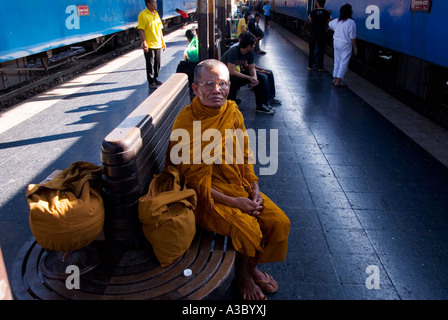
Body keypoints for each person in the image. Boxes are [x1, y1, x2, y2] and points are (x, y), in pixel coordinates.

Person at [167, 59, 290, 300]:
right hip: (206, 197)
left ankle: (252, 268)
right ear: (195, 88)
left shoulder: (231, 112)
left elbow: (245, 154)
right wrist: (236, 203)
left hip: (238, 187)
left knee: (279, 222)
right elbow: (191, 183)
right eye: (209, 84)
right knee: (249, 230)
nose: (217, 90)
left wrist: (254, 187)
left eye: (222, 83)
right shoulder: (187, 123)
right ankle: (242, 277)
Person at [221, 32, 273, 115]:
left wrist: (254, 78)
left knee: (262, 78)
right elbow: (231, 71)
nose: (254, 46)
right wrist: (249, 78)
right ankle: (230, 104)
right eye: (254, 44)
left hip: (236, 73)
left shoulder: (250, 52)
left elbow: (251, 67)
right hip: (224, 75)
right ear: (249, 45)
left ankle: (260, 105)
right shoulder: (234, 50)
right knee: (233, 80)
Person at [138, 0, 166, 89]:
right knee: (150, 63)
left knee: (157, 63)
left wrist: (163, 41)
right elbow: (141, 30)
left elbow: (160, 29)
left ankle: (155, 78)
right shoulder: (142, 15)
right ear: (148, 4)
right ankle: (151, 81)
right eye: (153, 3)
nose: (156, 4)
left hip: (158, 43)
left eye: (156, 2)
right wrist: (144, 43)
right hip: (149, 44)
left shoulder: (156, 14)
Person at [329, 3, 357, 88]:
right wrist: (355, 47)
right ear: (350, 12)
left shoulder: (337, 20)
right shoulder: (351, 22)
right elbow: (352, 37)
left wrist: (336, 30)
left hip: (336, 42)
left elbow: (329, 24)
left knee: (337, 61)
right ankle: (338, 81)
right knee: (343, 62)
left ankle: (334, 79)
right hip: (345, 44)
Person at [307, 0, 331, 72]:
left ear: (317, 3)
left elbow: (310, 20)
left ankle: (310, 66)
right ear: (324, 3)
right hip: (322, 34)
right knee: (321, 51)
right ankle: (320, 67)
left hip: (313, 34)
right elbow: (327, 23)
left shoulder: (313, 12)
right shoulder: (326, 13)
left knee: (312, 50)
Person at [176, 29, 199, 98]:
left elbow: (186, 58)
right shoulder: (199, 43)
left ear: (188, 38)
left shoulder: (189, 47)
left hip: (193, 70)